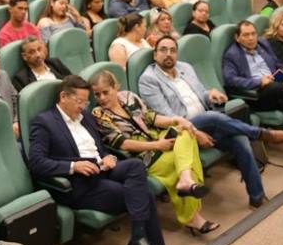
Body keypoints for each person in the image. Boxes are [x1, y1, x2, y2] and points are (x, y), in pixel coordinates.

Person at [28, 75, 168, 245]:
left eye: (86, 101)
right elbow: (37, 164)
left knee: (136, 166)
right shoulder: (45, 122)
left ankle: (139, 237)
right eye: (79, 101)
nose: (84, 106)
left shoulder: (86, 117)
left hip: (103, 169)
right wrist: (73, 166)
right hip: (80, 183)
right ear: (63, 97)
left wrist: (107, 157)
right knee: (143, 194)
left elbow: (100, 149)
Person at [139, 37, 283, 208]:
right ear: (155, 55)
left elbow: (201, 94)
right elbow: (168, 118)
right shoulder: (149, 79)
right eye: (163, 50)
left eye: (173, 50)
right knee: (212, 117)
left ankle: (257, 196)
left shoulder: (185, 68)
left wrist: (212, 95)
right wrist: (195, 133)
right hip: (183, 133)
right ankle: (259, 133)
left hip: (208, 123)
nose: (169, 54)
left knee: (240, 139)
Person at [89, 70, 218, 235]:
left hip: (160, 138)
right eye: (97, 95)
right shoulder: (98, 114)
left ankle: (186, 180)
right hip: (144, 155)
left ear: (115, 87)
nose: (102, 98)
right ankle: (193, 214)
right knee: (181, 160)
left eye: (105, 92)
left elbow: (151, 117)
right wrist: (157, 145)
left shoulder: (129, 96)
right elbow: (123, 144)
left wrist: (176, 120)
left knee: (185, 131)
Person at [222, 21, 283, 167]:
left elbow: (279, 64)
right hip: (257, 96)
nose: (251, 38)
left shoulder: (262, 44)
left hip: (279, 90)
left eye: (253, 34)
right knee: (275, 88)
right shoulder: (232, 54)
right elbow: (231, 80)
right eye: (246, 35)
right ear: (237, 38)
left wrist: (282, 77)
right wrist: (258, 81)